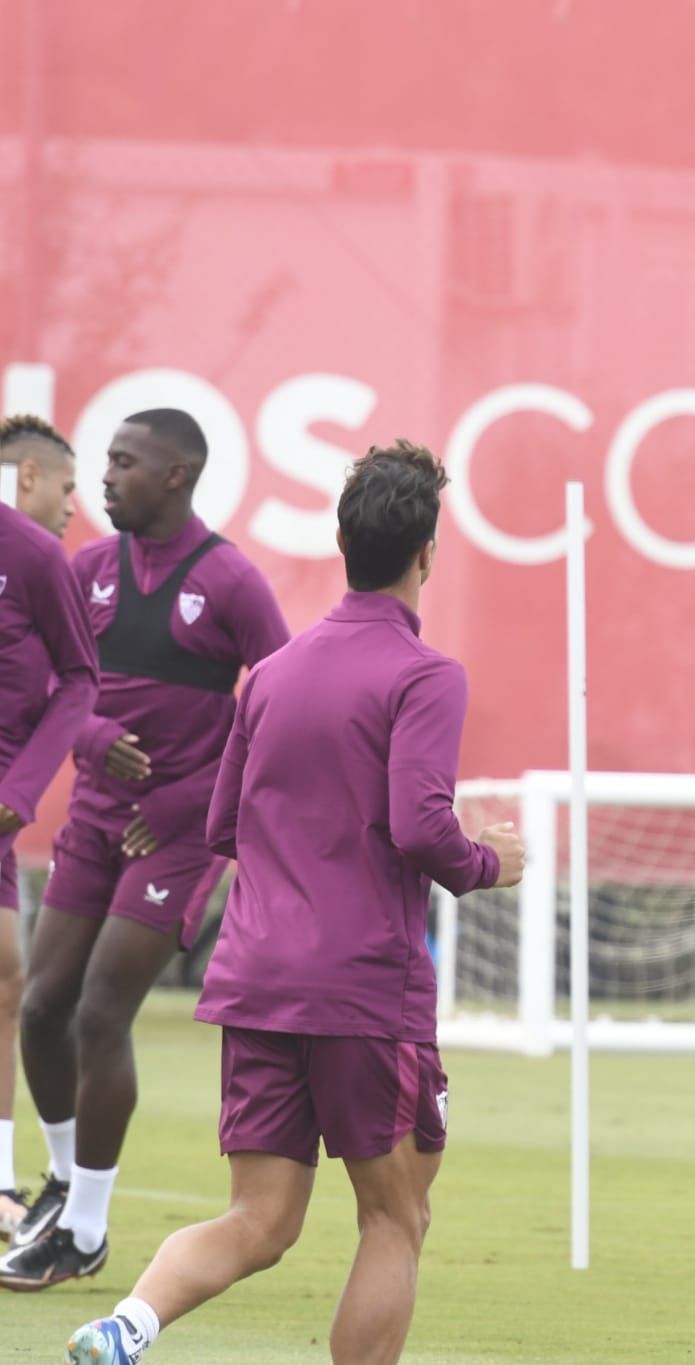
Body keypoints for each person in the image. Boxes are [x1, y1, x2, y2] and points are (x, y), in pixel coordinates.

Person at [63, 440, 523, 1365]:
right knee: (396, 1214)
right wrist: (490, 863)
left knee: (259, 1218)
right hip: (362, 987)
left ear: (343, 542)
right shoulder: (426, 673)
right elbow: (422, 825)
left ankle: (127, 1324)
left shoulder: (271, 675)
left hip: (258, 976)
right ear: (426, 551)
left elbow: (227, 823)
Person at [3, 410, 291, 1288]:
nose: (105, 478)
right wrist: (89, 739)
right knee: (43, 1006)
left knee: (99, 1013)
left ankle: (84, 1231)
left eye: (125, 463)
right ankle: (63, 1183)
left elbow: (282, 706)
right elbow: (60, 692)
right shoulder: (85, 569)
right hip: (94, 819)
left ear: (176, 476)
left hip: (175, 832)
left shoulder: (232, 582)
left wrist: (187, 802)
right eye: (103, 462)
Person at [0, 416, 98, 1238]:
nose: (76, 505)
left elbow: (80, 681)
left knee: (8, 980)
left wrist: (21, 789)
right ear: (29, 476)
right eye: (68, 487)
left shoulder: (33, 559)